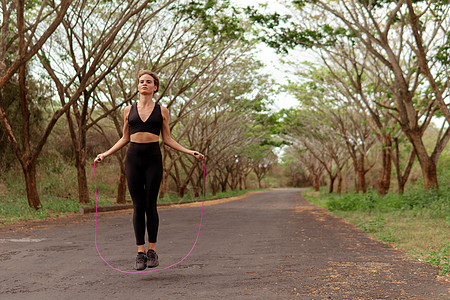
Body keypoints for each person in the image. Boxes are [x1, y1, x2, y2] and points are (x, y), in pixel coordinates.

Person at [94, 70, 204, 270]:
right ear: (138, 86)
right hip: (133, 158)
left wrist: (190, 152)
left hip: (153, 157)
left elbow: (168, 139)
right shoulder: (128, 110)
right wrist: (105, 154)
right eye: (141, 81)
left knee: (150, 205)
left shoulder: (162, 111)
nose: (144, 84)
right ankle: (140, 252)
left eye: (149, 82)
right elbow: (124, 137)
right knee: (138, 206)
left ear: (155, 87)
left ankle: (152, 251)